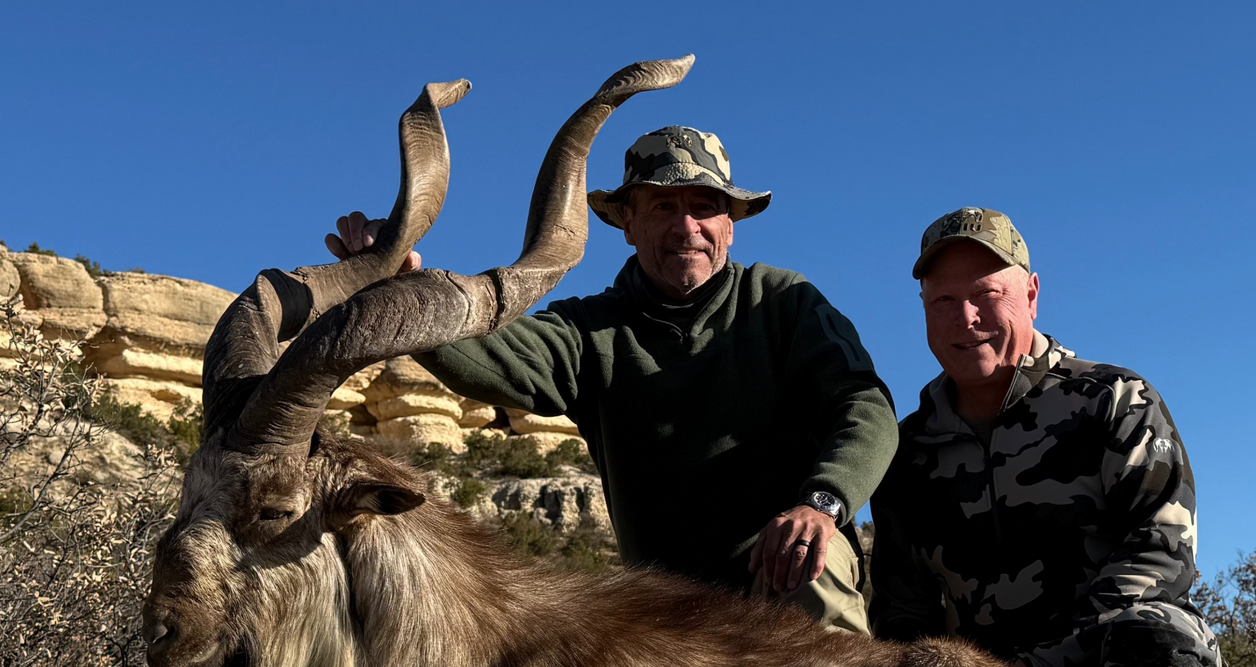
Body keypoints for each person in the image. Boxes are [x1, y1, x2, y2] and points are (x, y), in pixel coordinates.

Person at [327, 127, 896, 634]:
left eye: (704, 206)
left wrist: (822, 504)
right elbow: (493, 356)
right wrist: (399, 288)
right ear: (627, 221)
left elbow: (863, 406)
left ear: (731, 222)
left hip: (782, 569)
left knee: (812, 575)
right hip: (666, 610)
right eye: (663, 207)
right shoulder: (588, 330)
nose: (686, 226)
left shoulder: (781, 301)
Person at [870, 207, 1243, 667]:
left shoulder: (1113, 402)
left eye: (987, 295)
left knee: (1160, 637)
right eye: (943, 301)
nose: (966, 319)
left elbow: (1160, 550)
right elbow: (902, 611)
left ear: (1032, 293)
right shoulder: (906, 451)